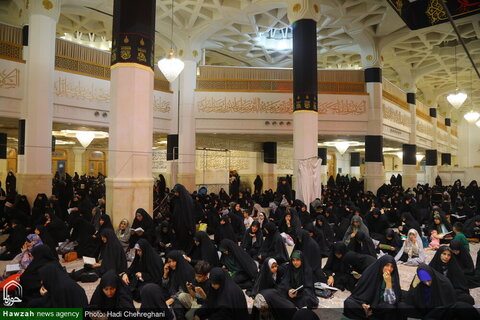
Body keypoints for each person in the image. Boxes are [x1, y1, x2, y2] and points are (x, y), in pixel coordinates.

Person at [399, 264, 478, 319]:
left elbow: (448, 305)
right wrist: (414, 286)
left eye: (429, 280)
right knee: (401, 304)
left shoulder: (444, 283)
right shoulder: (420, 283)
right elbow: (411, 299)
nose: (427, 283)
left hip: (439, 312)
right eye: (424, 281)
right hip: (423, 309)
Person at [344, 255, 402, 320]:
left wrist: (388, 283)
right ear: (381, 265)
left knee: (389, 308)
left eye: (392, 266)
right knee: (349, 302)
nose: (389, 269)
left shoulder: (393, 278)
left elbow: (391, 301)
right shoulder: (371, 273)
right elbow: (360, 294)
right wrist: (363, 304)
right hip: (366, 306)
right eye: (387, 265)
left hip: (379, 309)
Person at [171, 184, 196, 253]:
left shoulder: (187, 200)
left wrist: (190, 227)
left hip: (185, 225)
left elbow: (189, 214)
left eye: (177, 192)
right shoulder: (177, 199)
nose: (176, 194)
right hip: (178, 224)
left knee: (185, 240)